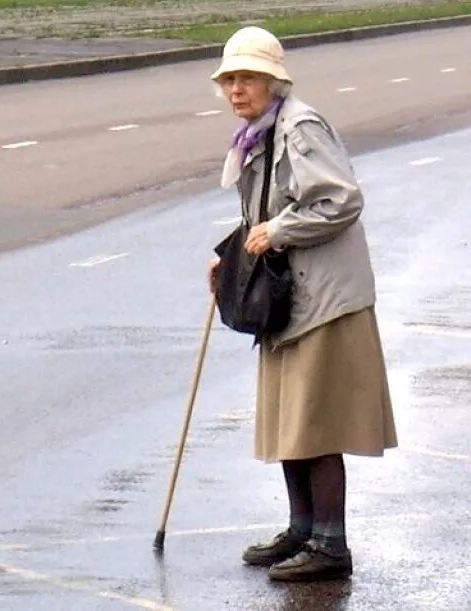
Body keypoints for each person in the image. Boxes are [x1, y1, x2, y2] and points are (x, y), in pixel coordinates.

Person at [207, 26, 398, 582]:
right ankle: (301, 530)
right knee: (292, 422)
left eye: (246, 78)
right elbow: (266, 211)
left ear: (273, 81)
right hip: (289, 299)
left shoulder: (299, 127)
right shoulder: (259, 134)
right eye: (229, 80)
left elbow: (341, 199)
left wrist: (278, 232)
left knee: (316, 424)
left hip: (324, 300)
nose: (236, 90)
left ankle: (329, 545)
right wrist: (230, 257)